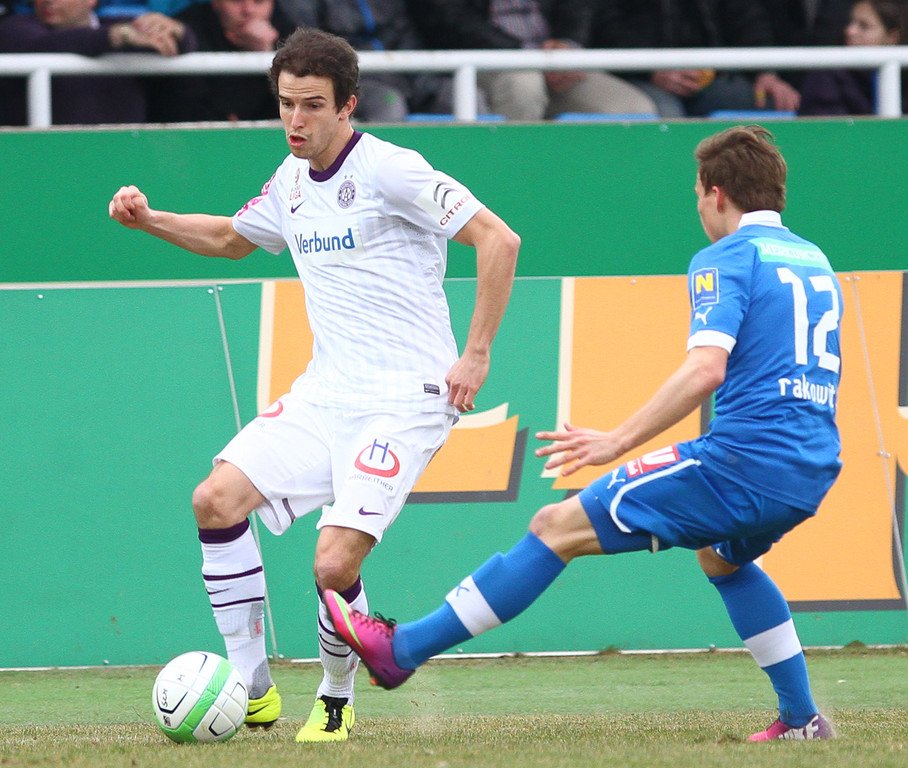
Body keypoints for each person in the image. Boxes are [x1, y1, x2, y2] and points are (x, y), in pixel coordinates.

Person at [326, 125, 843, 743]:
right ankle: (801, 719)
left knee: (554, 527)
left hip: (745, 462)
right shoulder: (812, 259)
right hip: (812, 463)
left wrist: (616, 440)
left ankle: (401, 650)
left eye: (697, 195)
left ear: (716, 193)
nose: (699, 209)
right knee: (722, 558)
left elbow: (707, 368)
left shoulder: (727, 257)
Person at [108, 27, 520, 742]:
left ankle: (335, 697)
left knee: (332, 563)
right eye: (286, 104)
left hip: (406, 399)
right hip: (325, 393)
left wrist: (476, 353)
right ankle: (253, 689)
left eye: (312, 105)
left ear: (348, 105)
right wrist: (149, 221)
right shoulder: (291, 180)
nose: (295, 120)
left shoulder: (392, 170)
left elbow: (498, 238)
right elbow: (230, 239)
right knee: (215, 499)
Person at [405, 0, 657, 121]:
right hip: (486, 60)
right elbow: (449, 21)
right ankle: (512, 179)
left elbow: (579, 7)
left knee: (633, 109)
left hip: (557, 62)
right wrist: (529, 55)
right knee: (523, 86)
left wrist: (568, 44)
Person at [593, 0, 801, 117]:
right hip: (635, 76)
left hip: (712, 77)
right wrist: (650, 70)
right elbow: (603, 26)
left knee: (769, 104)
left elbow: (746, 18)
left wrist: (765, 73)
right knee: (665, 118)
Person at [0, 0, 193, 125]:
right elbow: (47, 44)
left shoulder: (121, 25)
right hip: (44, 158)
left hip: (123, 155)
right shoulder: (15, 28)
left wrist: (175, 31)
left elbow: (186, 44)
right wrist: (116, 36)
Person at [275, 0, 460, 122]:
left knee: (459, 95)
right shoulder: (303, 5)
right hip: (355, 82)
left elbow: (405, 36)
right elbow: (311, 49)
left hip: (409, 77)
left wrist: (419, 76)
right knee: (389, 104)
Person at [148, 0, 296, 122]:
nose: (248, 10)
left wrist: (267, 55)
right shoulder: (188, 29)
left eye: (259, 2)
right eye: (236, 1)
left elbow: (294, 112)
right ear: (216, 3)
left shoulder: (289, 35)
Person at [799, 0, 907, 115]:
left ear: (892, 37)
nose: (850, 31)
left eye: (864, 26)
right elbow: (826, 123)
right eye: (850, 22)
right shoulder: (825, 76)